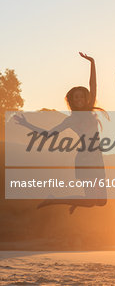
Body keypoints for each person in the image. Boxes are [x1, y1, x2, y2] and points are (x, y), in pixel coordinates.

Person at [14, 52, 107, 214]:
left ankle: (76, 201)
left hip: (97, 157)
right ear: (71, 100)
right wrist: (26, 124)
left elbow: (94, 86)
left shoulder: (90, 109)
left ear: (86, 99)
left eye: (81, 97)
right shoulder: (70, 120)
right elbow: (48, 134)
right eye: (75, 98)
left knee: (102, 202)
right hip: (85, 159)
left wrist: (92, 63)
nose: (78, 100)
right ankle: (54, 199)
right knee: (92, 200)